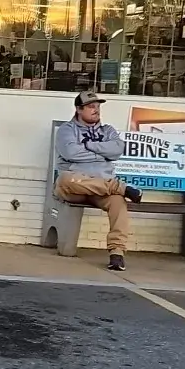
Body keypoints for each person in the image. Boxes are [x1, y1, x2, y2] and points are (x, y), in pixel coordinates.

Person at [55, 92, 144, 271]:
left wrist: (88, 146)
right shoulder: (67, 130)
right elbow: (71, 153)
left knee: (118, 202)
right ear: (79, 110)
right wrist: (103, 153)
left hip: (101, 188)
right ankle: (120, 187)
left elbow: (117, 150)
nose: (96, 110)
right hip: (75, 187)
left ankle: (117, 253)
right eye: (90, 107)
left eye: (97, 106)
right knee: (65, 178)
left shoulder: (108, 130)